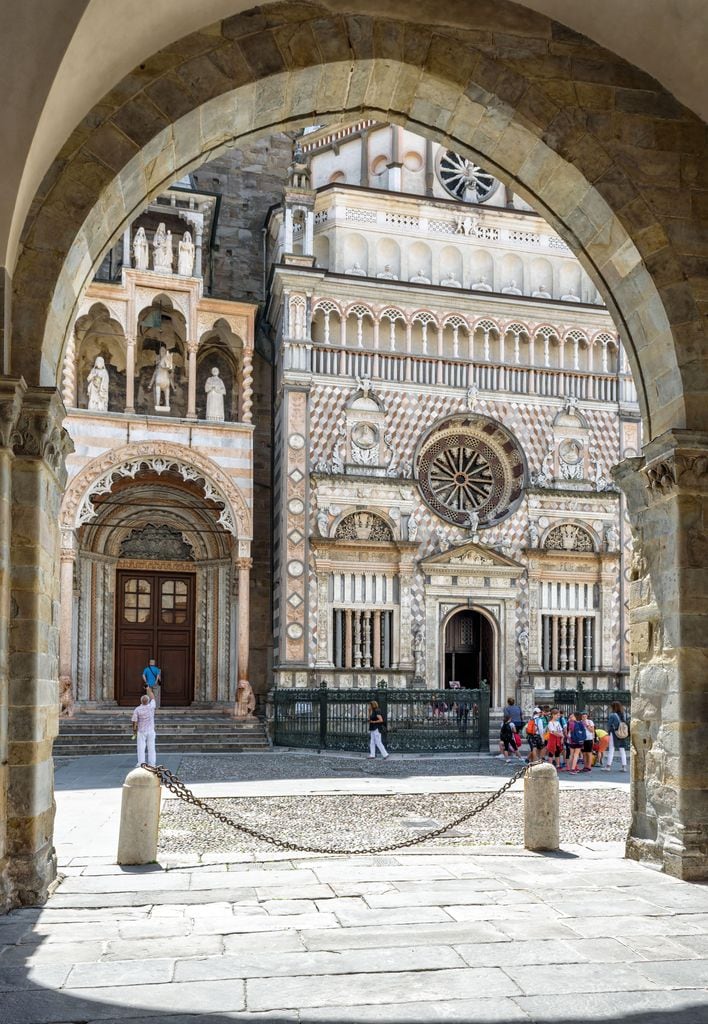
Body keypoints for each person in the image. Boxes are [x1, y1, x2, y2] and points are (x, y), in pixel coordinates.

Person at [131, 689, 157, 767]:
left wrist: (134, 731)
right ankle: (152, 763)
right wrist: (148, 689)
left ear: (141, 701)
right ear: (148, 701)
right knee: (151, 747)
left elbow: (134, 721)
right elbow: (153, 698)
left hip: (141, 731)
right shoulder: (151, 707)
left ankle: (141, 763)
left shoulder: (137, 709)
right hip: (150, 730)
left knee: (141, 748)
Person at [604, 700, 629, 772]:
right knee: (622, 750)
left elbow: (608, 725)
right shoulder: (622, 714)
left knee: (611, 749)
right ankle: (624, 767)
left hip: (614, 733)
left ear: (613, 707)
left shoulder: (612, 715)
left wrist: (607, 731)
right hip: (622, 734)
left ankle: (608, 766)